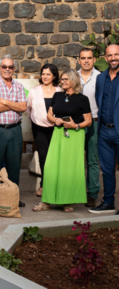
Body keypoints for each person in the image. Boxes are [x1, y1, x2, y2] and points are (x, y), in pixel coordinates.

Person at [33, 69, 92, 212]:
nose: (62, 82)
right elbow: (49, 115)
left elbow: (88, 121)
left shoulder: (82, 99)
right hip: (58, 133)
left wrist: (75, 125)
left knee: (69, 169)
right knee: (50, 167)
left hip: (75, 135)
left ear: (74, 81)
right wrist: (56, 120)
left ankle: (68, 202)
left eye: (66, 79)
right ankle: (46, 202)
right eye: (62, 79)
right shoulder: (58, 95)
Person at [0, 55, 27, 209]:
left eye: (10, 67)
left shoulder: (19, 86)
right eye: (4, 67)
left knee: (14, 165)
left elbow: (23, 108)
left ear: (14, 69)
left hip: (15, 130)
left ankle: (13, 196)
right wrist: (14, 104)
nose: (8, 69)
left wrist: (5, 102)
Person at [90, 44, 119, 214]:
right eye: (110, 55)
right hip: (104, 130)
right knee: (107, 170)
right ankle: (108, 202)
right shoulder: (101, 79)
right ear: (105, 58)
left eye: (116, 54)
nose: (113, 58)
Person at [26, 64, 61, 197]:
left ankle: (55, 184)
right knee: (43, 157)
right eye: (43, 74)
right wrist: (36, 121)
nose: (45, 77)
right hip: (38, 128)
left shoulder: (60, 91)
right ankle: (44, 185)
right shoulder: (34, 91)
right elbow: (29, 111)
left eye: (48, 74)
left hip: (56, 128)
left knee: (55, 157)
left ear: (54, 76)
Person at [77, 48, 101, 208]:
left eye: (89, 58)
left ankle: (92, 193)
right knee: (76, 160)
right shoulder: (73, 77)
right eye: (83, 58)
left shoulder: (100, 77)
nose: (86, 60)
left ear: (94, 60)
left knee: (93, 159)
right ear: (78, 60)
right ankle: (76, 191)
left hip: (94, 121)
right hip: (76, 123)